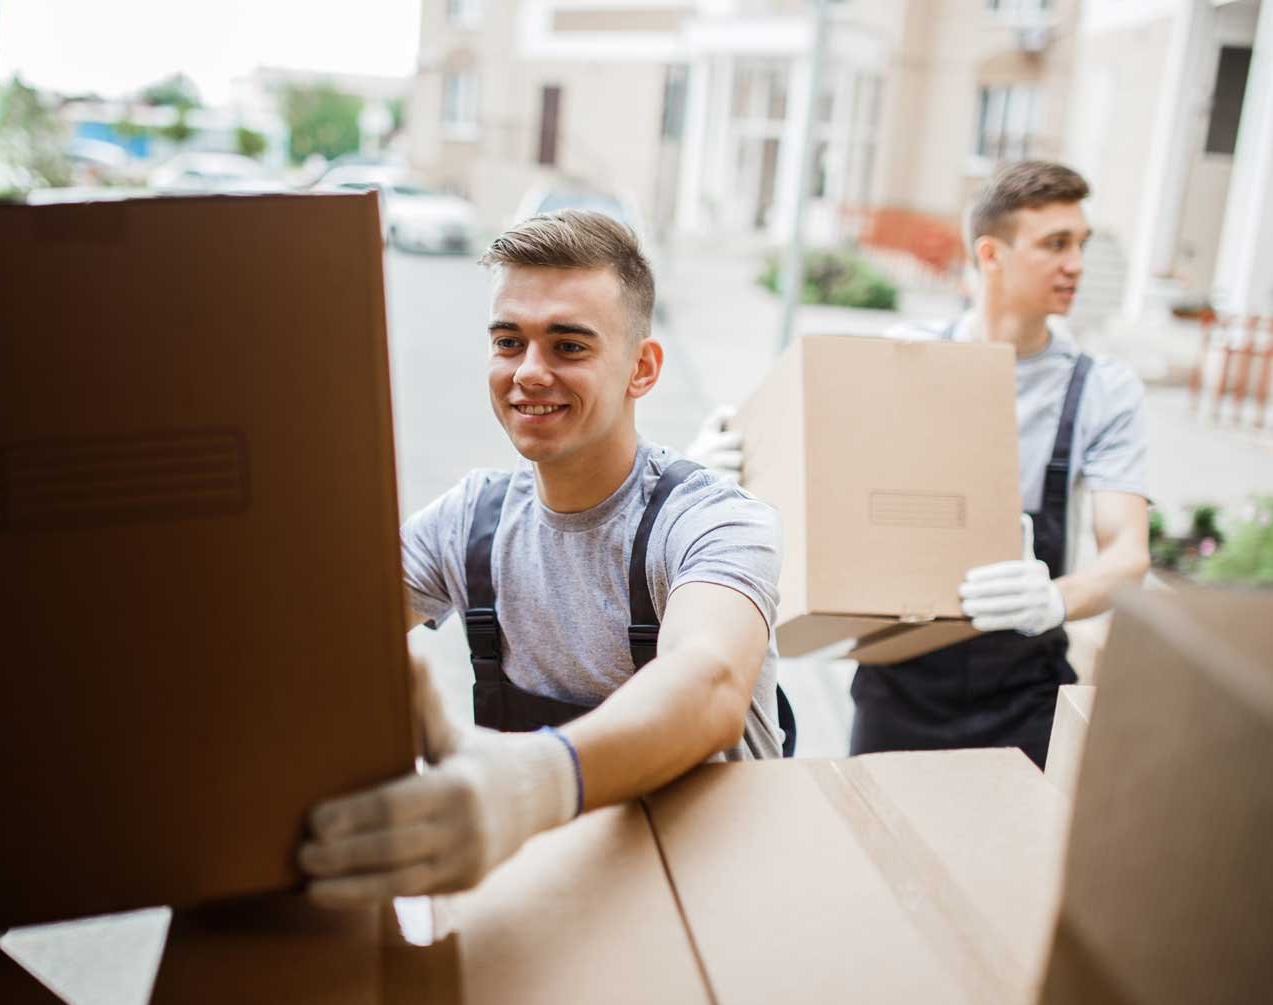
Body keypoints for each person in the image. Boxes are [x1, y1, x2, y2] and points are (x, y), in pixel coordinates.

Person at [299, 210, 787, 907]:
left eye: (568, 345)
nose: (529, 372)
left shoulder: (716, 521)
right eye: (508, 341)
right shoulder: (469, 523)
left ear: (641, 368)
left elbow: (707, 683)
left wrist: (529, 781)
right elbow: (322, 637)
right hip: (548, 901)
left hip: (714, 902)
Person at [693, 160, 1150, 769]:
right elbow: (812, 474)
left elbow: (1129, 554)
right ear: (992, 254)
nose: (1077, 265)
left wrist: (1053, 599)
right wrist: (717, 475)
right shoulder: (904, 356)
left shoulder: (1102, 389)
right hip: (897, 677)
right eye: (1055, 245)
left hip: (1028, 688)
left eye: (1081, 245)